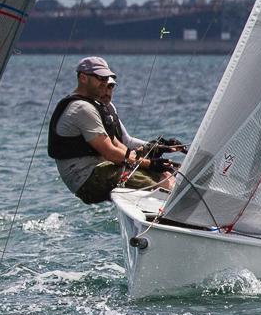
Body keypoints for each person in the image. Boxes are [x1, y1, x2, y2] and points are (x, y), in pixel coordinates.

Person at [48, 56, 176, 204]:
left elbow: (120, 145)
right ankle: (170, 215)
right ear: (83, 78)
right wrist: (149, 163)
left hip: (103, 169)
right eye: (100, 78)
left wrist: (155, 150)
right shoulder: (82, 109)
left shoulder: (97, 106)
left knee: (166, 173)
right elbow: (110, 152)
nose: (105, 83)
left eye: (107, 79)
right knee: (160, 183)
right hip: (86, 180)